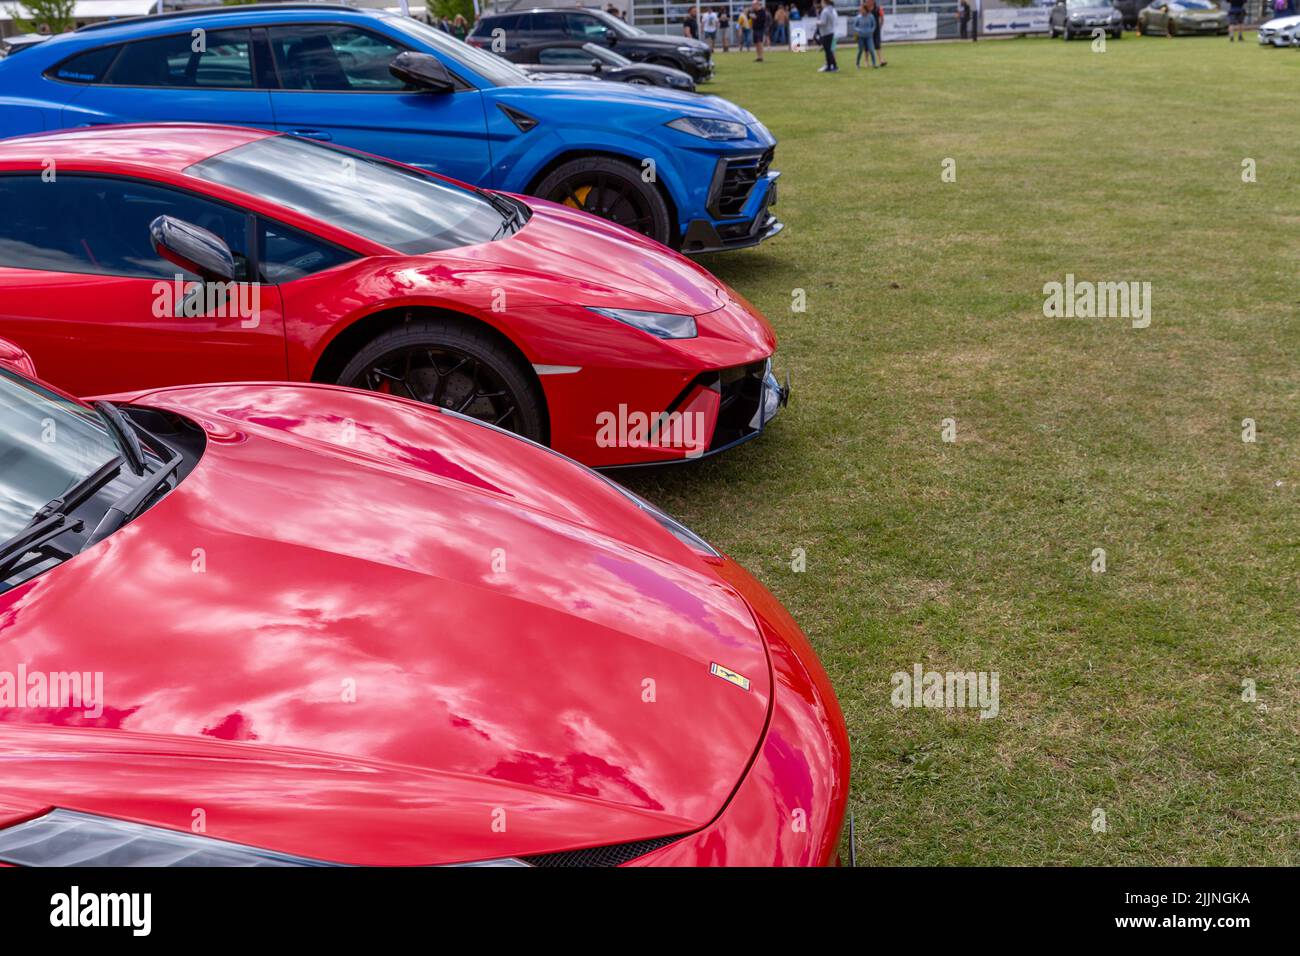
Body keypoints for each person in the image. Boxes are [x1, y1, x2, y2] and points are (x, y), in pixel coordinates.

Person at [852, 1, 877, 67]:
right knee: (860, 50)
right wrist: (859, 30)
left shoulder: (871, 16)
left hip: (869, 36)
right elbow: (854, 26)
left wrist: (871, 31)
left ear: (866, 10)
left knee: (871, 49)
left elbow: (874, 25)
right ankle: (857, 64)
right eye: (860, 10)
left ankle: (874, 64)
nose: (861, 11)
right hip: (860, 36)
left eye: (862, 9)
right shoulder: (858, 17)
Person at [816, 0, 838, 72]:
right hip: (830, 32)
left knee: (828, 51)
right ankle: (830, 66)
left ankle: (833, 66)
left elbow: (823, 22)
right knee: (828, 51)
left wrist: (817, 22)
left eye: (822, 2)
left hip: (826, 33)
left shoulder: (825, 11)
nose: (821, 4)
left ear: (825, 3)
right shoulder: (831, 10)